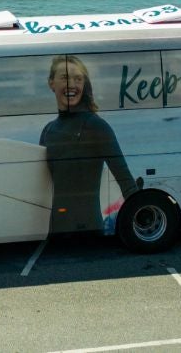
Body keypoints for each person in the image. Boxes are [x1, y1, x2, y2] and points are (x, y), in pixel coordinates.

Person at [38, 55, 138, 237]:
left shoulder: (96, 126)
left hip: (88, 230)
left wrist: (139, 224)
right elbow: (41, 187)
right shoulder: (48, 131)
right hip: (54, 231)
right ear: (51, 83)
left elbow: (125, 180)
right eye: (65, 77)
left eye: (78, 79)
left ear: (84, 85)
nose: (72, 84)